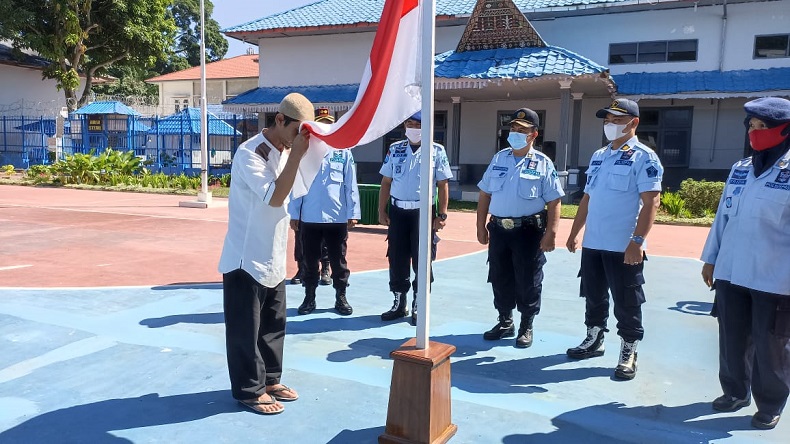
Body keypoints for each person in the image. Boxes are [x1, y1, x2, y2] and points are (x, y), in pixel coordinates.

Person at [217, 93, 314, 415]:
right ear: (280, 120)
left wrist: (303, 154)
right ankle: (249, 389)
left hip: (273, 253)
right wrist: (298, 156)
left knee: (273, 325)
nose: (299, 137)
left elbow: (297, 190)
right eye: (297, 129)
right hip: (246, 257)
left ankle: (270, 380)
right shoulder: (251, 153)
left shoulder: (287, 152)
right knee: (245, 329)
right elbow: (275, 197)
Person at [700, 96, 790, 430]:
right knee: (732, 338)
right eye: (751, 126)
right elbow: (722, 221)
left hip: (775, 276)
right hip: (731, 272)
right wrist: (710, 260)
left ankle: (770, 404)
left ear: (783, 130)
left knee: (772, 346)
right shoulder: (740, 170)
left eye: (763, 126)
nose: (754, 133)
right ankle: (735, 391)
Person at [565, 98, 663, 380]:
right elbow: (587, 198)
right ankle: (594, 338)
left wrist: (637, 241)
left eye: (617, 120)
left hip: (624, 246)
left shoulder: (645, 157)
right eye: (608, 120)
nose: (610, 125)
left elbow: (651, 202)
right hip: (594, 243)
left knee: (627, 300)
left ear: (634, 123)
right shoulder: (599, 155)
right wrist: (575, 232)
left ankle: (629, 349)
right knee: (593, 295)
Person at [476, 108, 564, 348]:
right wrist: (480, 225)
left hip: (528, 232)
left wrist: (551, 233)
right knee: (499, 276)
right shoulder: (499, 159)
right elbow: (484, 193)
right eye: (513, 129)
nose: (515, 133)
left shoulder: (543, 163)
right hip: (499, 230)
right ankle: (505, 320)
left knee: (528, 279)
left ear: (533, 134)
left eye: (521, 130)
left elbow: (554, 201)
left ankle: (526, 324)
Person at [378, 111, 453, 325]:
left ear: (425, 125)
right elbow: (386, 182)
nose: (412, 127)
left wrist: (442, 214)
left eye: (417, 123)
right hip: (398, 212)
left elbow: (442, 184)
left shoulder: (436, 151)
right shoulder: (395, 149)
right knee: (397, 256)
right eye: (409, 123)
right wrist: (381, 211)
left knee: (423, 259)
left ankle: (419, 302)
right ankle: (399, 301)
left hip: (423, 213)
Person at [289, 107, 361, 316]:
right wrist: (294, 214)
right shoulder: (305, 151)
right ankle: (309, 298)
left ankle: (341, 297)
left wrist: (353, 212)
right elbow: (297, 184)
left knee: (339, 261)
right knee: (309, 261)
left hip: (336, 217)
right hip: (309, 217)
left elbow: (350, 184)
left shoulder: (343, 151)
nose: (324, 128)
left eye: (328, 124)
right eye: (320, 124)